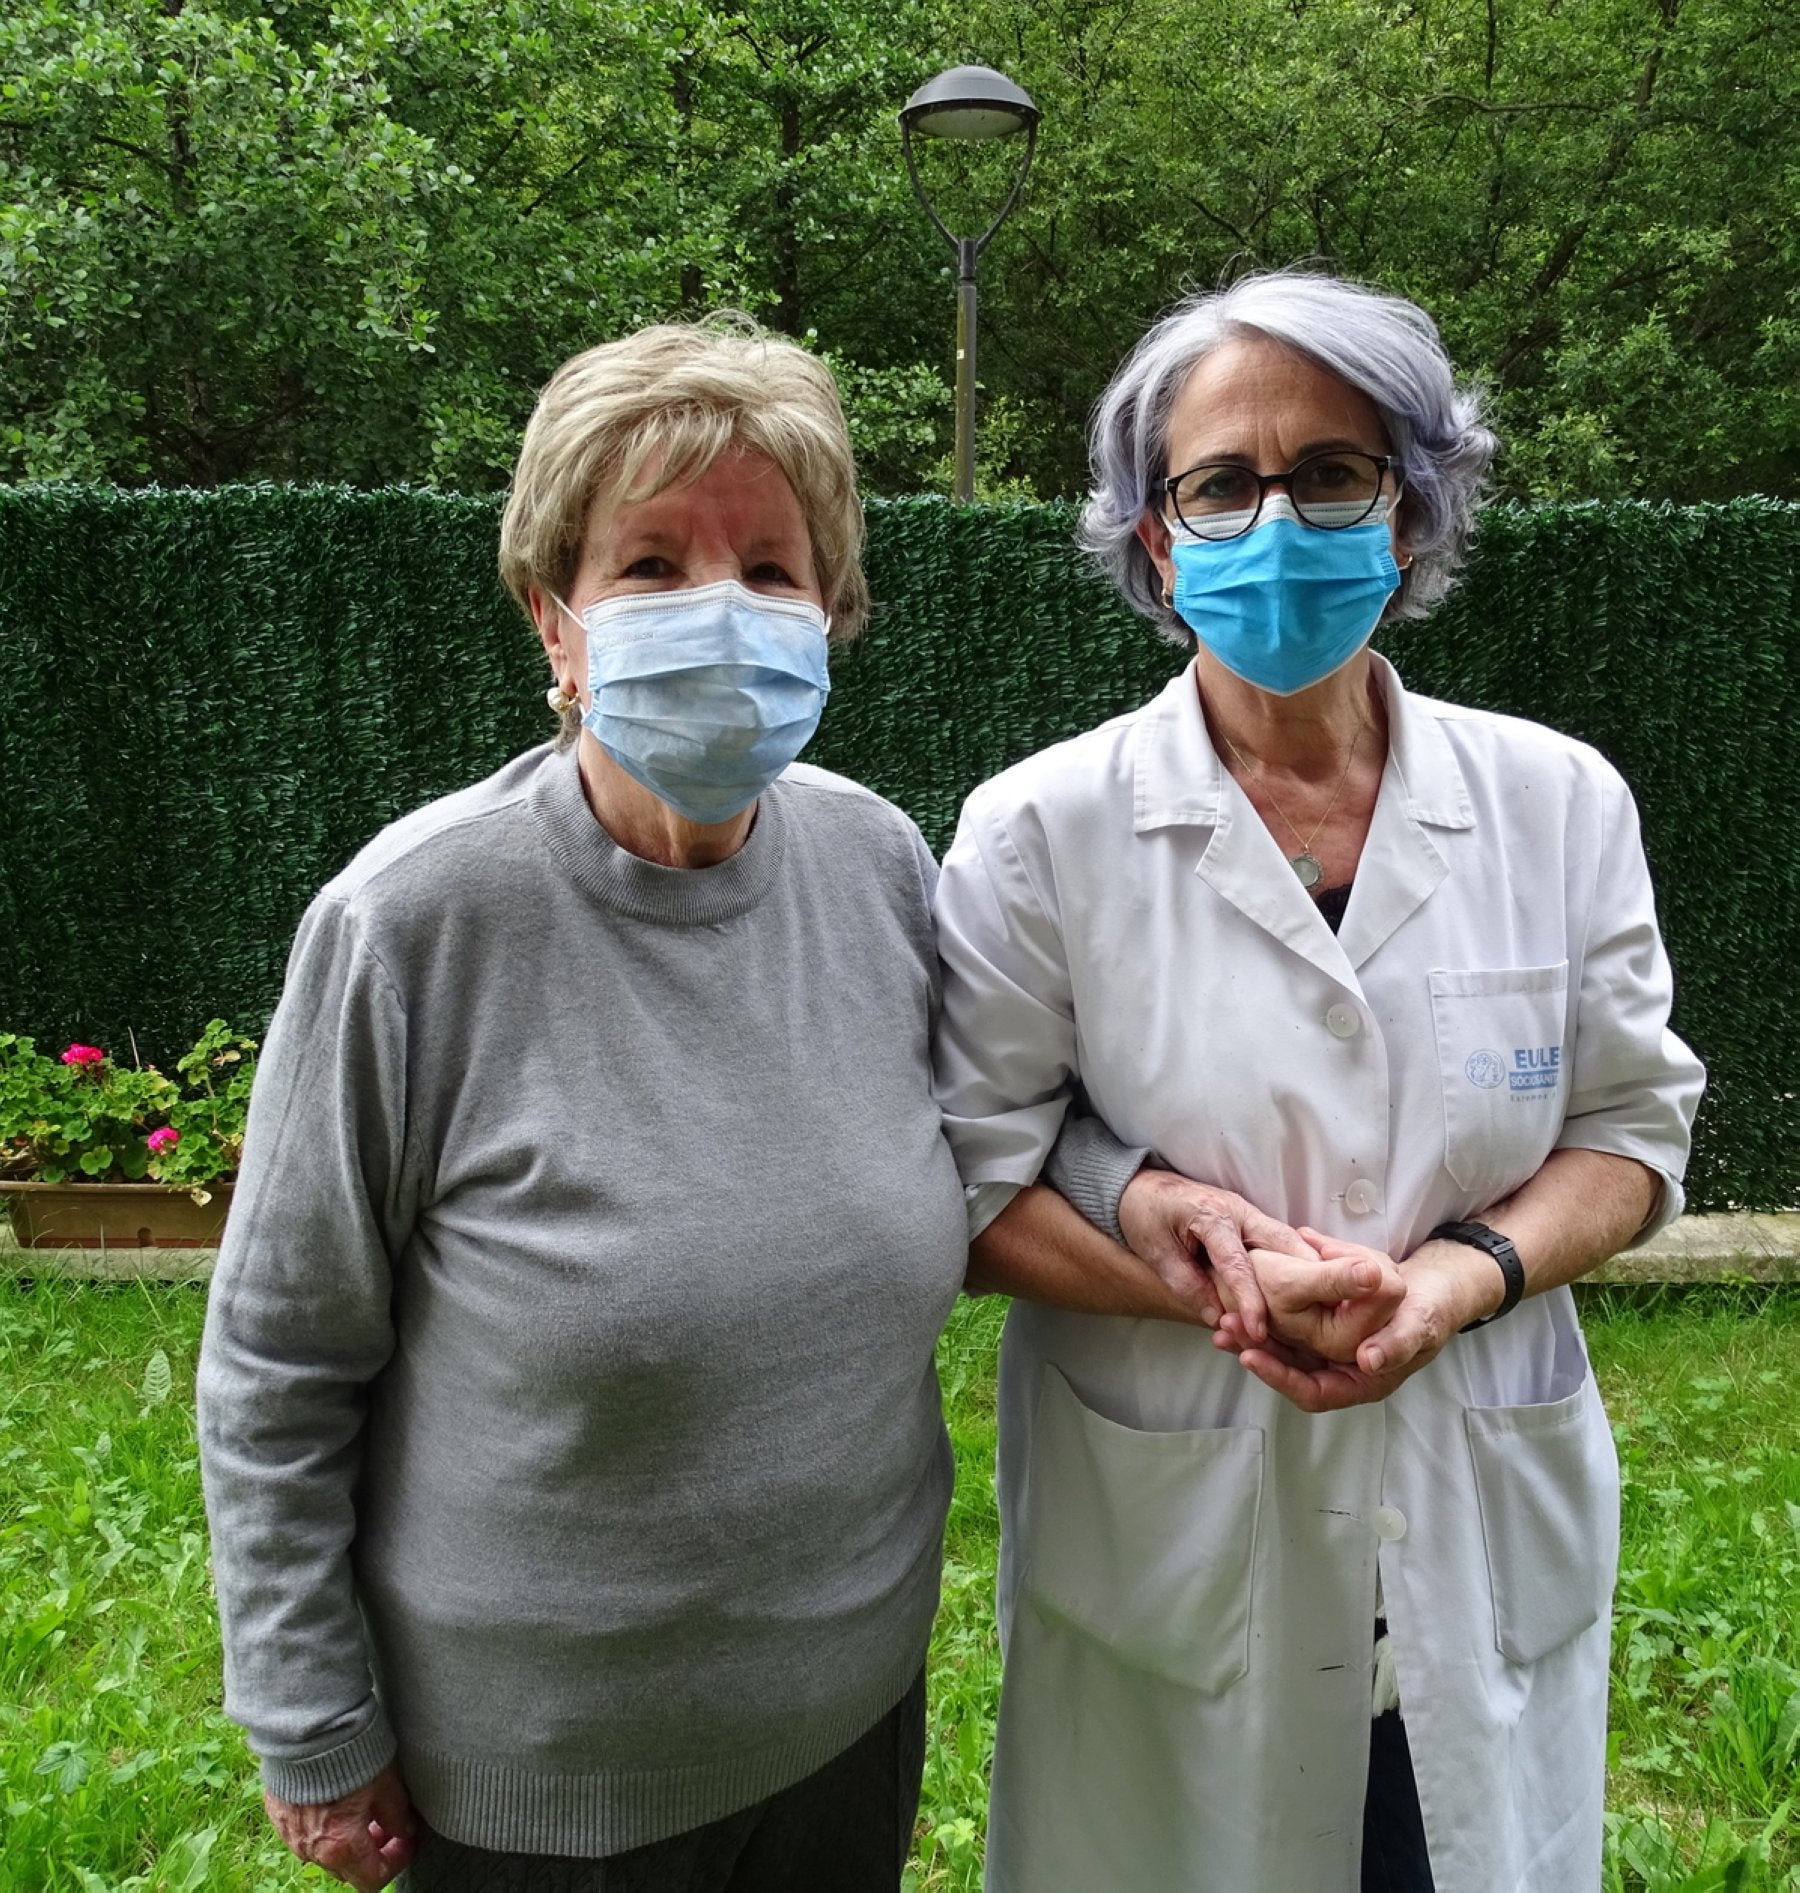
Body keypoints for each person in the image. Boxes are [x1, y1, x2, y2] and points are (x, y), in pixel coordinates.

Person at [930, 270, 1705, 1892]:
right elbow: (972, 1182)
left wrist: (1463, 1275)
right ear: (1157, 541)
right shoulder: (1038, 832)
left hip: (1479, 1520)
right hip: (1177, 1567)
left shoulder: (1560, 803)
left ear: (1411, 511)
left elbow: (1633, 1131)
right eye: (1220, 483)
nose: (1275, 520)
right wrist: (1207, 1282)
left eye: (1332, 472)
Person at [197, 320, 970, 1893]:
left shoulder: (880, 865)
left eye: (771, 565)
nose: (721, 606)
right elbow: (278, 1360)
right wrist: (312, 1720)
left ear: (830, 613)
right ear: (557, 620)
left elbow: (999, 1139)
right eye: (653, 563)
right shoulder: (411, 925)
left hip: (847, 1717)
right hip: (550, 1789)